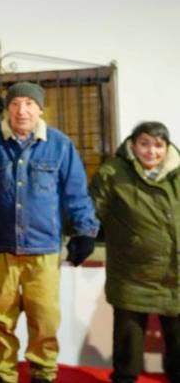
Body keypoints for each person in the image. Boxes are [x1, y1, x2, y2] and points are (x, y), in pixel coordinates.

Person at [0, 81, 99, 383]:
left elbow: (75, 194)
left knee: (44, 317)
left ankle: (43, 371)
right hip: (1, 250)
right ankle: (5, 372)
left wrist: (85, 232)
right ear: (8, 108)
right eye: (15, 103)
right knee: (1, 317)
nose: (22, 110)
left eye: (29, 103)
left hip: (44, 249)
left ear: (41, 108)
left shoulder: (60, 145)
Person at [89, 121, 180, 383]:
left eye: (158, 145)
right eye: (144, 144)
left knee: (178, 344)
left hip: (175, 274)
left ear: (167, 147)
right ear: (132, 145)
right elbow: (92, 213)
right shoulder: (113, 173)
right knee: (128, 347)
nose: (151, 151)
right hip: (131, 273)